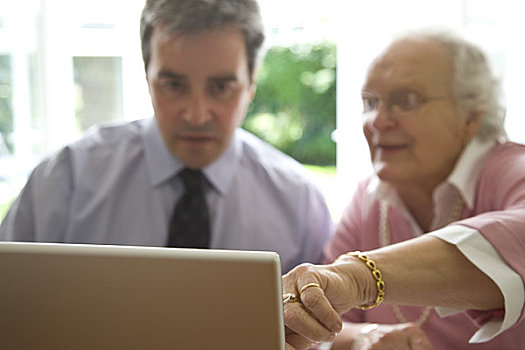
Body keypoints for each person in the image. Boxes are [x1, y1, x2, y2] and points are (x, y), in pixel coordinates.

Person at [0, 0, 333, 273]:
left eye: (221, 88)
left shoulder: (299, 204)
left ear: (251, 84)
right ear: (147, 76)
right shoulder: (65, 181)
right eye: (174, 86)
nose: (196, 114)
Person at [282, 30, 525, 349]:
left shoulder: (509, 170)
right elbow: (321, 318)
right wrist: (364, 337)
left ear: (471, 117)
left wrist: (359, 277)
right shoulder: (369, 199)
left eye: (406, 101)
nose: (378, 121)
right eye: (370, 102)